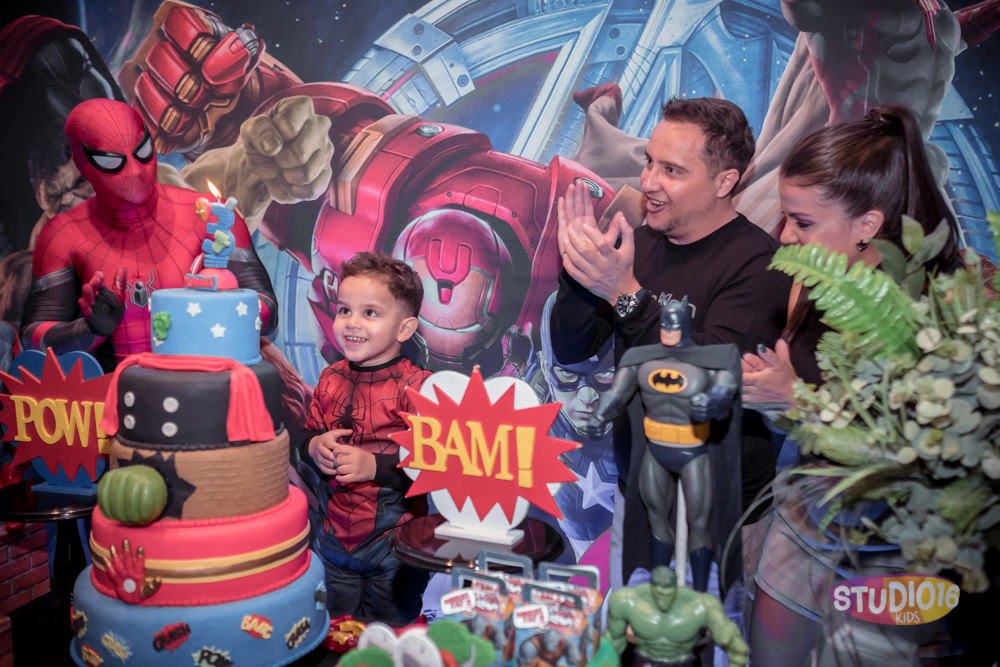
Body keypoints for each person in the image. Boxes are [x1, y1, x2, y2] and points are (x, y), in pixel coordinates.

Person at [551, 97, 791, 588]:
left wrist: (624, 293)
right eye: (649, 162)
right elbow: (572, 349)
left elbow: (696, 388)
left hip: (714, 514)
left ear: (724, 182)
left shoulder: (761, 268)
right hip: (635, 490)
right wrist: (580, 272)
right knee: (626, 625)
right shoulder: (644, 244)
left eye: (672, 170)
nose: (648, 182)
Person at [18, 98, 277, 372]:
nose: (134, 171)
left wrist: (217, 313)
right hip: (113, 391)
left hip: (207, 384)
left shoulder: (213, 214)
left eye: (142, 151)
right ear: (82, 165)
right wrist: (88, 329)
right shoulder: (63, 234)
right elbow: (34, 338)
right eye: (111, 161)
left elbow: (268, 310)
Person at [741, 102, 965, 407]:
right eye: (785, 217)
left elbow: (906, 428)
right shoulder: (811, 276)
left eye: (803, 223)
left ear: (867, 225)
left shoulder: (927, 309)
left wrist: (798, 401)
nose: (785, 236)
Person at [298, 251, 431, 624]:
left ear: (404, 329)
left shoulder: (418, 387)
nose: (352, 323)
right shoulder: (330, 378)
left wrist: (373, 466)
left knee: (390, 634)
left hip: (395, 546)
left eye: (370, 313)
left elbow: (432, 464)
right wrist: (313, 446)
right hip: (333, 541)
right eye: (344, 310)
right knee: (335, 631)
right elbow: (306, 435)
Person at [588, 297, 741, 592]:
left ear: (686, 323)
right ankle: (659, 590)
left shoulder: (711, 362)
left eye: (675, 322)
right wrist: (600, 414)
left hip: (694, 451)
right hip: (656, 450)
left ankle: (699, 593)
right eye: (665, 321)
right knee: (656, 517)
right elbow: (616, 394)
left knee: (700, 522)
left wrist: (712, 403)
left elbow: (725, 391)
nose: (669, 327)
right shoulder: (641, 360)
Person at [589, 565, 748, 667]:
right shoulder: (627, 602)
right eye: (659, 594)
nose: (663, 600)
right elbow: (612, 644)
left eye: (667, 595)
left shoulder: (701, 606)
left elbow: (735, 645)